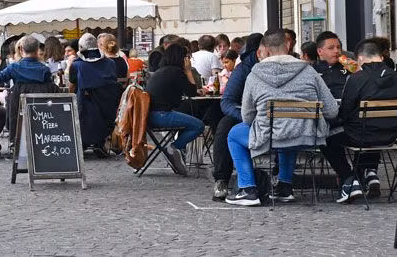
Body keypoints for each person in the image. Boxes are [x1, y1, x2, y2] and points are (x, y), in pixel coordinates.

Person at [226, 30, 339, 206]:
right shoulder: (309, 71)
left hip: (270, 136)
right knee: (291, 128)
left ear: (265, 51)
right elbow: (332, 111)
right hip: (307, 135)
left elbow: (247, 117)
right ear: (287, 46)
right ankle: (284, 187)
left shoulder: (254, 74)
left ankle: (248, 188)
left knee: (234, 134)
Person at [320, 39, 397, 202]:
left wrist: (327, 123)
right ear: (381, 57)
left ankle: (349, 179)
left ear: (359, 58)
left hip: (361, 135)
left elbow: (344, 113)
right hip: (391, 135)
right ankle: (364, 177)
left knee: (326, 138)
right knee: (370, 129)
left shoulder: (357, 78)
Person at [0, 35, 54, 144]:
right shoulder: (45, 70)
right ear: (37, 50)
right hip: (41, 112)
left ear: (21, 49)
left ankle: (14, 143)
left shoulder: (14, 67)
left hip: (18, 108)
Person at [210, 32, 264, 201]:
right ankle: (222, 179)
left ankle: (283, 179)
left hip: (275, 115)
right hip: (244, 112)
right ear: (260, 52)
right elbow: (227, 102)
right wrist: (244, 117)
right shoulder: (244, 70)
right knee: (224, 128)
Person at [144, 42, 204, 176]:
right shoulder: (177, 72)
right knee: (198, 125)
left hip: (150, 116)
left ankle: (178, 151)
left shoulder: (161, 71)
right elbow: (191, 92)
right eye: (187, 58)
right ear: (181, 58)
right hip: (161, 116)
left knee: (187, 120)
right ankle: (175, 147)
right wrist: (188, 70)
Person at [70, 33, 123, 154]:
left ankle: (83, 142)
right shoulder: (110, 63)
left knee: (81, 103)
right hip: (108, 106)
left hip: (85, 105)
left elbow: (72, 85)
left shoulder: (77, 65)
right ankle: (99, 142)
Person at [313, 31, 349, 99]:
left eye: (338, 47)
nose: (336, 51)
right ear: (319, 51)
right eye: (331, 48)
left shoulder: (348, 66)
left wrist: (354, 67)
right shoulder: (312, 70)